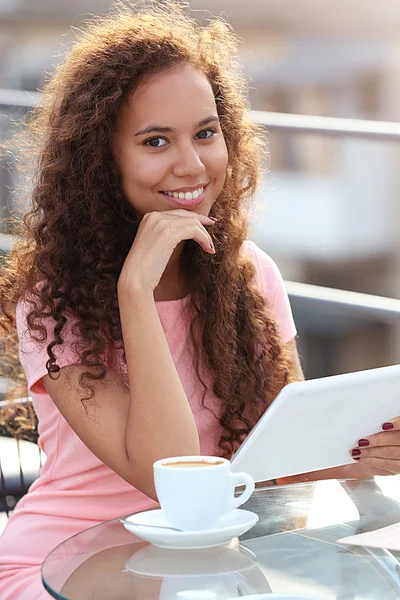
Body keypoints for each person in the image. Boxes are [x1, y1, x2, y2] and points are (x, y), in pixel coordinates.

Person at [0, 2, 399, 598]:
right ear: (101, 161)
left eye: (205, 133)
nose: (192, 164)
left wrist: (361, 453)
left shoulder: (247, 274)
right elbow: (171, 477)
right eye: (156, 141)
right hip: (68, 561)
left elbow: (274, 458)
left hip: (203, 562)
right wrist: (136, 290)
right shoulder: (53, 303)